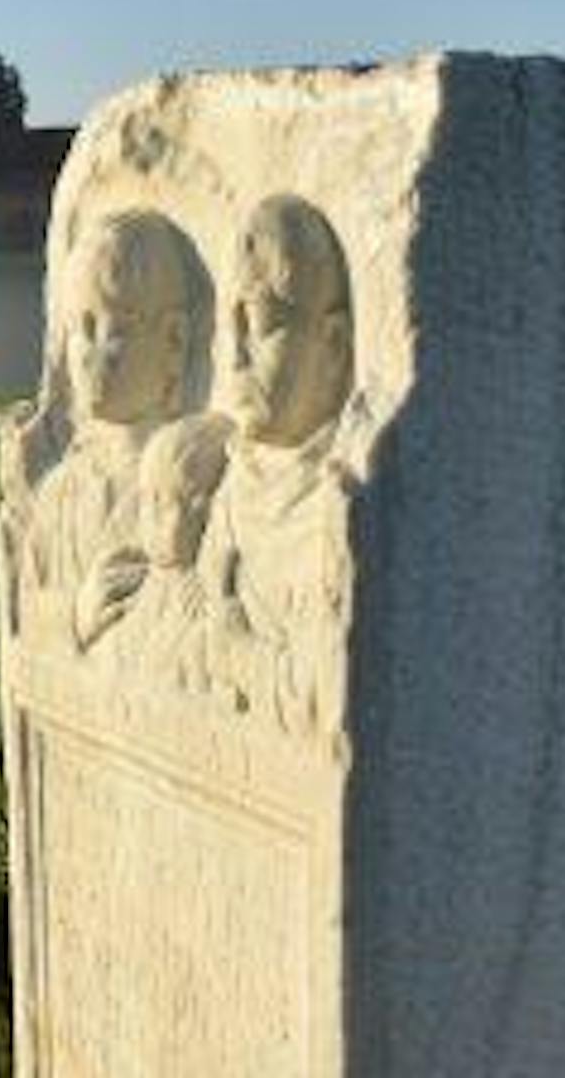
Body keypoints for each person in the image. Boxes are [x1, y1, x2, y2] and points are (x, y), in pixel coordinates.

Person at [198, 195, 356, 733]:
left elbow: (325, 699)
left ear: (333, 345)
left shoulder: (338, 509)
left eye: (261, 324)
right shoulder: (232, 489)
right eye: (228, 329)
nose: (235, 357)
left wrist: (238, 654)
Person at [25, 209, 207, 651]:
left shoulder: (194, 483)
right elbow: (25, 610)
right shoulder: (59, 494)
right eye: (82, 328)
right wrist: (74, 619)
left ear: (175, 341)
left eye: (115, 328)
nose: (91, 353)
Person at [83, 415, 233, 692]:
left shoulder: (205, 602)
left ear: (208, 509)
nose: (150, 516)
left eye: (164, 500)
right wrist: (90, 625)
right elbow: (119, 654)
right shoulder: (141, 584)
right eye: (146, 498)